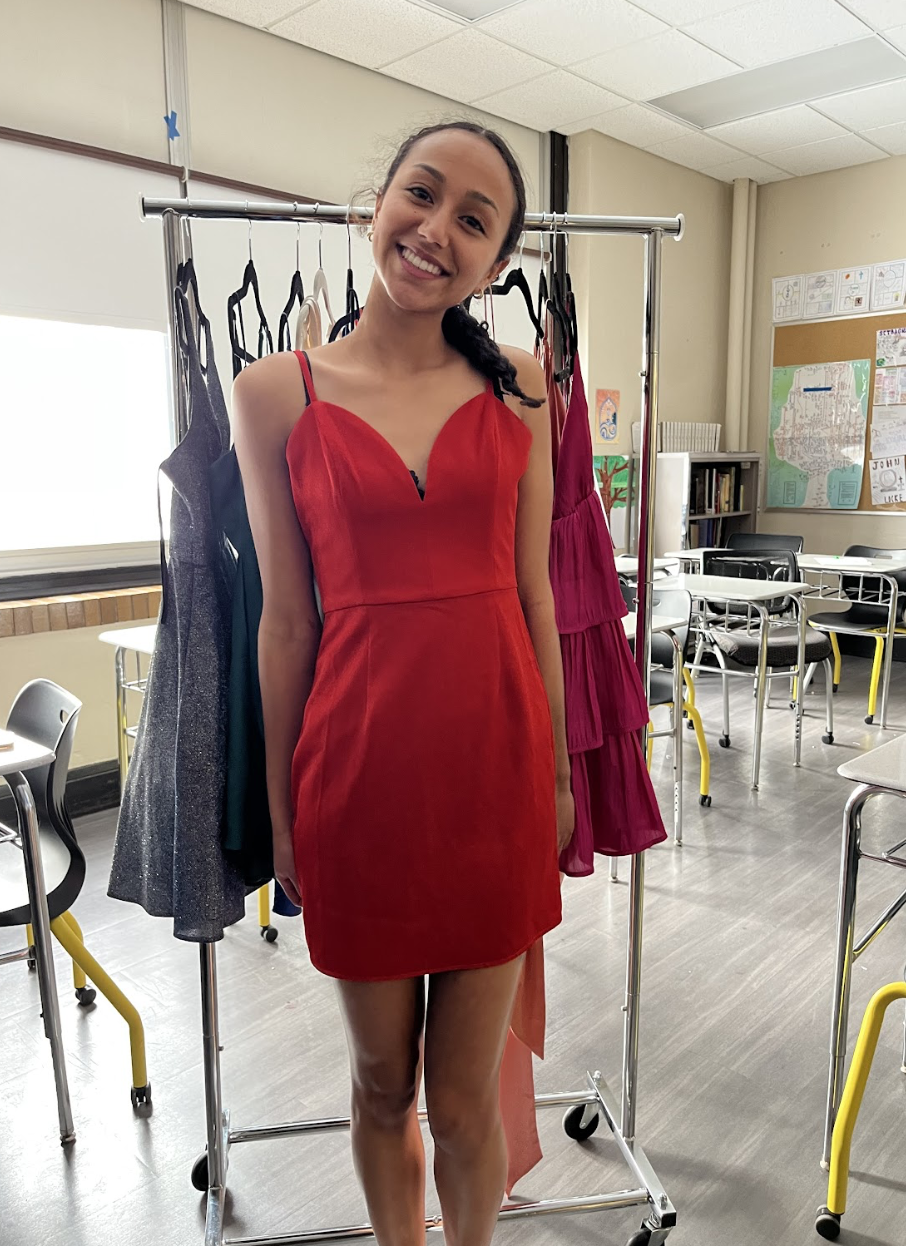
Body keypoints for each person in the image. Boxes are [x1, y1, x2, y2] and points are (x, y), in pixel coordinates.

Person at [232, 120, 574, 1246]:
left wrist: (561, 777)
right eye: (419, 196)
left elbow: (535, 597)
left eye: (473, 220)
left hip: (495, 776)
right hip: (357, 785)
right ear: (374, 200)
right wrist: (286, 818)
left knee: (465, 1096)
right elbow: (286, 626)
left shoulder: (523, 386)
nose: (435, 231)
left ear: (497, 260)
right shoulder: (274, 393)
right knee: (382, 1084)